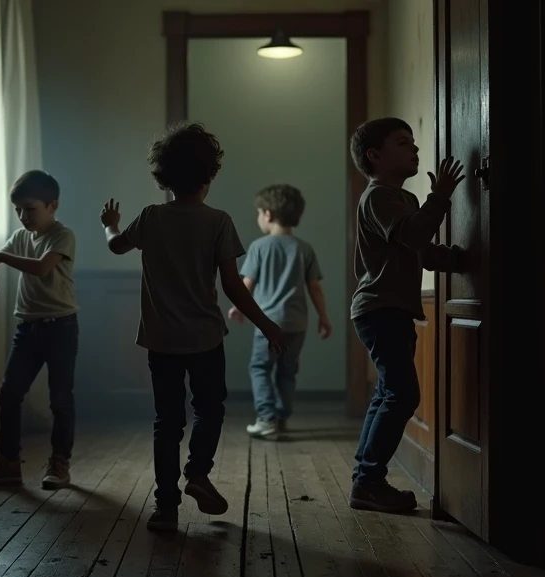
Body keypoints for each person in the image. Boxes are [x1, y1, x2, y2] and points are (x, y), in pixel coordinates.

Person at [99, 122, 286, 533]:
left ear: (163, 177)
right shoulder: (217, 221)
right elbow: (234, 288)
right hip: (204, 339)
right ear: (209, 176)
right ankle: (198, 473)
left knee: (166, 423)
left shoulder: (150, 217)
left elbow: (115, 245)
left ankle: (166, 507)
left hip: (161, 340)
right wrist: (268, 324)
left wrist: (110, 223)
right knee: (210, 409)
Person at [348, 117, 466, 513]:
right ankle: (368, 481)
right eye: (404, 143)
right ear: (375, 156)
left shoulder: (404, 201)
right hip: (380, 309)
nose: (415, 149)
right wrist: (442, 196)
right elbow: (416, 236)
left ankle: (366, 480)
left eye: (414, 143)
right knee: (403, 393)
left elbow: (422, 251)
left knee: (388, 391)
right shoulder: (379, 196)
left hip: (390, 310)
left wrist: (464, 259)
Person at [0, 170, 79, 491]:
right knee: (9, 395)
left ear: (53, 205)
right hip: (27, 329)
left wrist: (3, 256)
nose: (22, 216)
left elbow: (43, 267)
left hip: (61, 328)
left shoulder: (63, 235)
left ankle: (59, 463)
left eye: (30, 209)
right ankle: (8, 463)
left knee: (60, 400)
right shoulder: (20, 238)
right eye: (18, 209)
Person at [228, 184, 332, 438]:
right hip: (297, 324)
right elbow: (315, 288)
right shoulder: (304, 248)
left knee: (261, 369)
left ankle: (266, 418)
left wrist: (238, 307)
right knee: (288, 370)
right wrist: (324, 317)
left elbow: (247, 284)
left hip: (268, 325)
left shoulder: (259, 247)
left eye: (258, 213)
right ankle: (281, 417)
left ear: (268, 214)